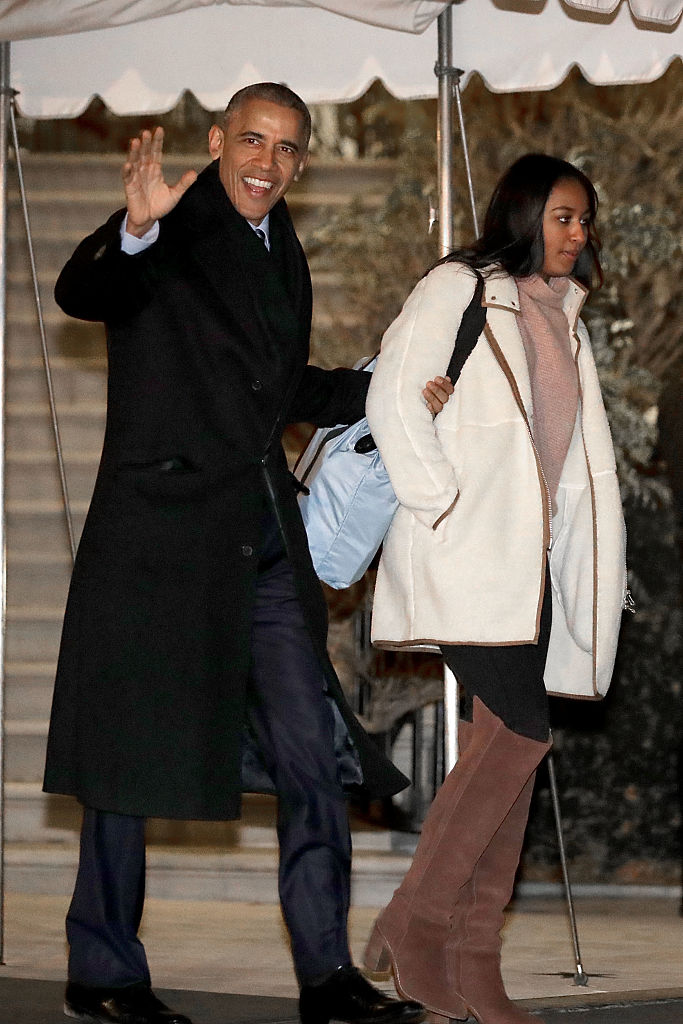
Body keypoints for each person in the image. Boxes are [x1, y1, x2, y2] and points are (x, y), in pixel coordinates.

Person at [44, 82, 450, 1024]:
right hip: (159, 538)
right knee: (128, 760)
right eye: (253, 141)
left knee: (311, 754)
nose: (268, 162)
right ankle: (102, 972)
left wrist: (387, 395)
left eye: (287, 148)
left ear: (301, 162)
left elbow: (277, 386)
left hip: (260, 542)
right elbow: (85, 291)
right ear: (219, 141)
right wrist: (134, 230)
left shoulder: (280, 244)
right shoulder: (170, 224)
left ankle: (326, 977)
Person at [361, 154, 628, 1024]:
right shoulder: (460, 286)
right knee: (518, 736)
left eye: (583, 220)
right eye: (561, 216)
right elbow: (393, 394)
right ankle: (419, 924)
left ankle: (470, 959)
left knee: (501, 747)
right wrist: (441, 501)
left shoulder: (563, 316)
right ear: (522, 213)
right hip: (464, 549)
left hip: (529, 568)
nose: (576, 233)